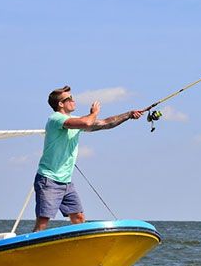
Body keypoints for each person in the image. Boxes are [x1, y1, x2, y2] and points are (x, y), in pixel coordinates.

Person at [33, 85, 142, 231]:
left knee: (79, 218)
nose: (73, 100)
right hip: (49, 179)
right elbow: (87, 122)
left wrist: (128, 114)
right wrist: (94, 112)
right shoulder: (56, 119)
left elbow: (105, 123)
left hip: (66, 182)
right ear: (60, 104)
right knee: (42, 223)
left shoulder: (75, 120)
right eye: (69, 98)